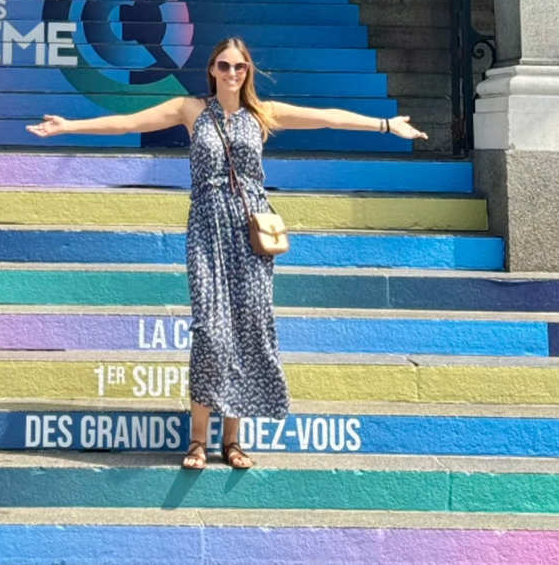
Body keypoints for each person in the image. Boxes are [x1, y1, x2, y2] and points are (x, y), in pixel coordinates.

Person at [27, 35, 427, 471]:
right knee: (211, 331)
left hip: (251, 229)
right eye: (224, 66)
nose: (232, 74)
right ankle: (197, 440)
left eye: (239, 67)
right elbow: (128, 122)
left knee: (248, 330)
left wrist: (386, 125)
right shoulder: (190, 110)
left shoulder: (263, 114)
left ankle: (232, 442)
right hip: (207, 227)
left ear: (248, 71)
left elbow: (328, 118)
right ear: (212, 70)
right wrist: (70, 126)